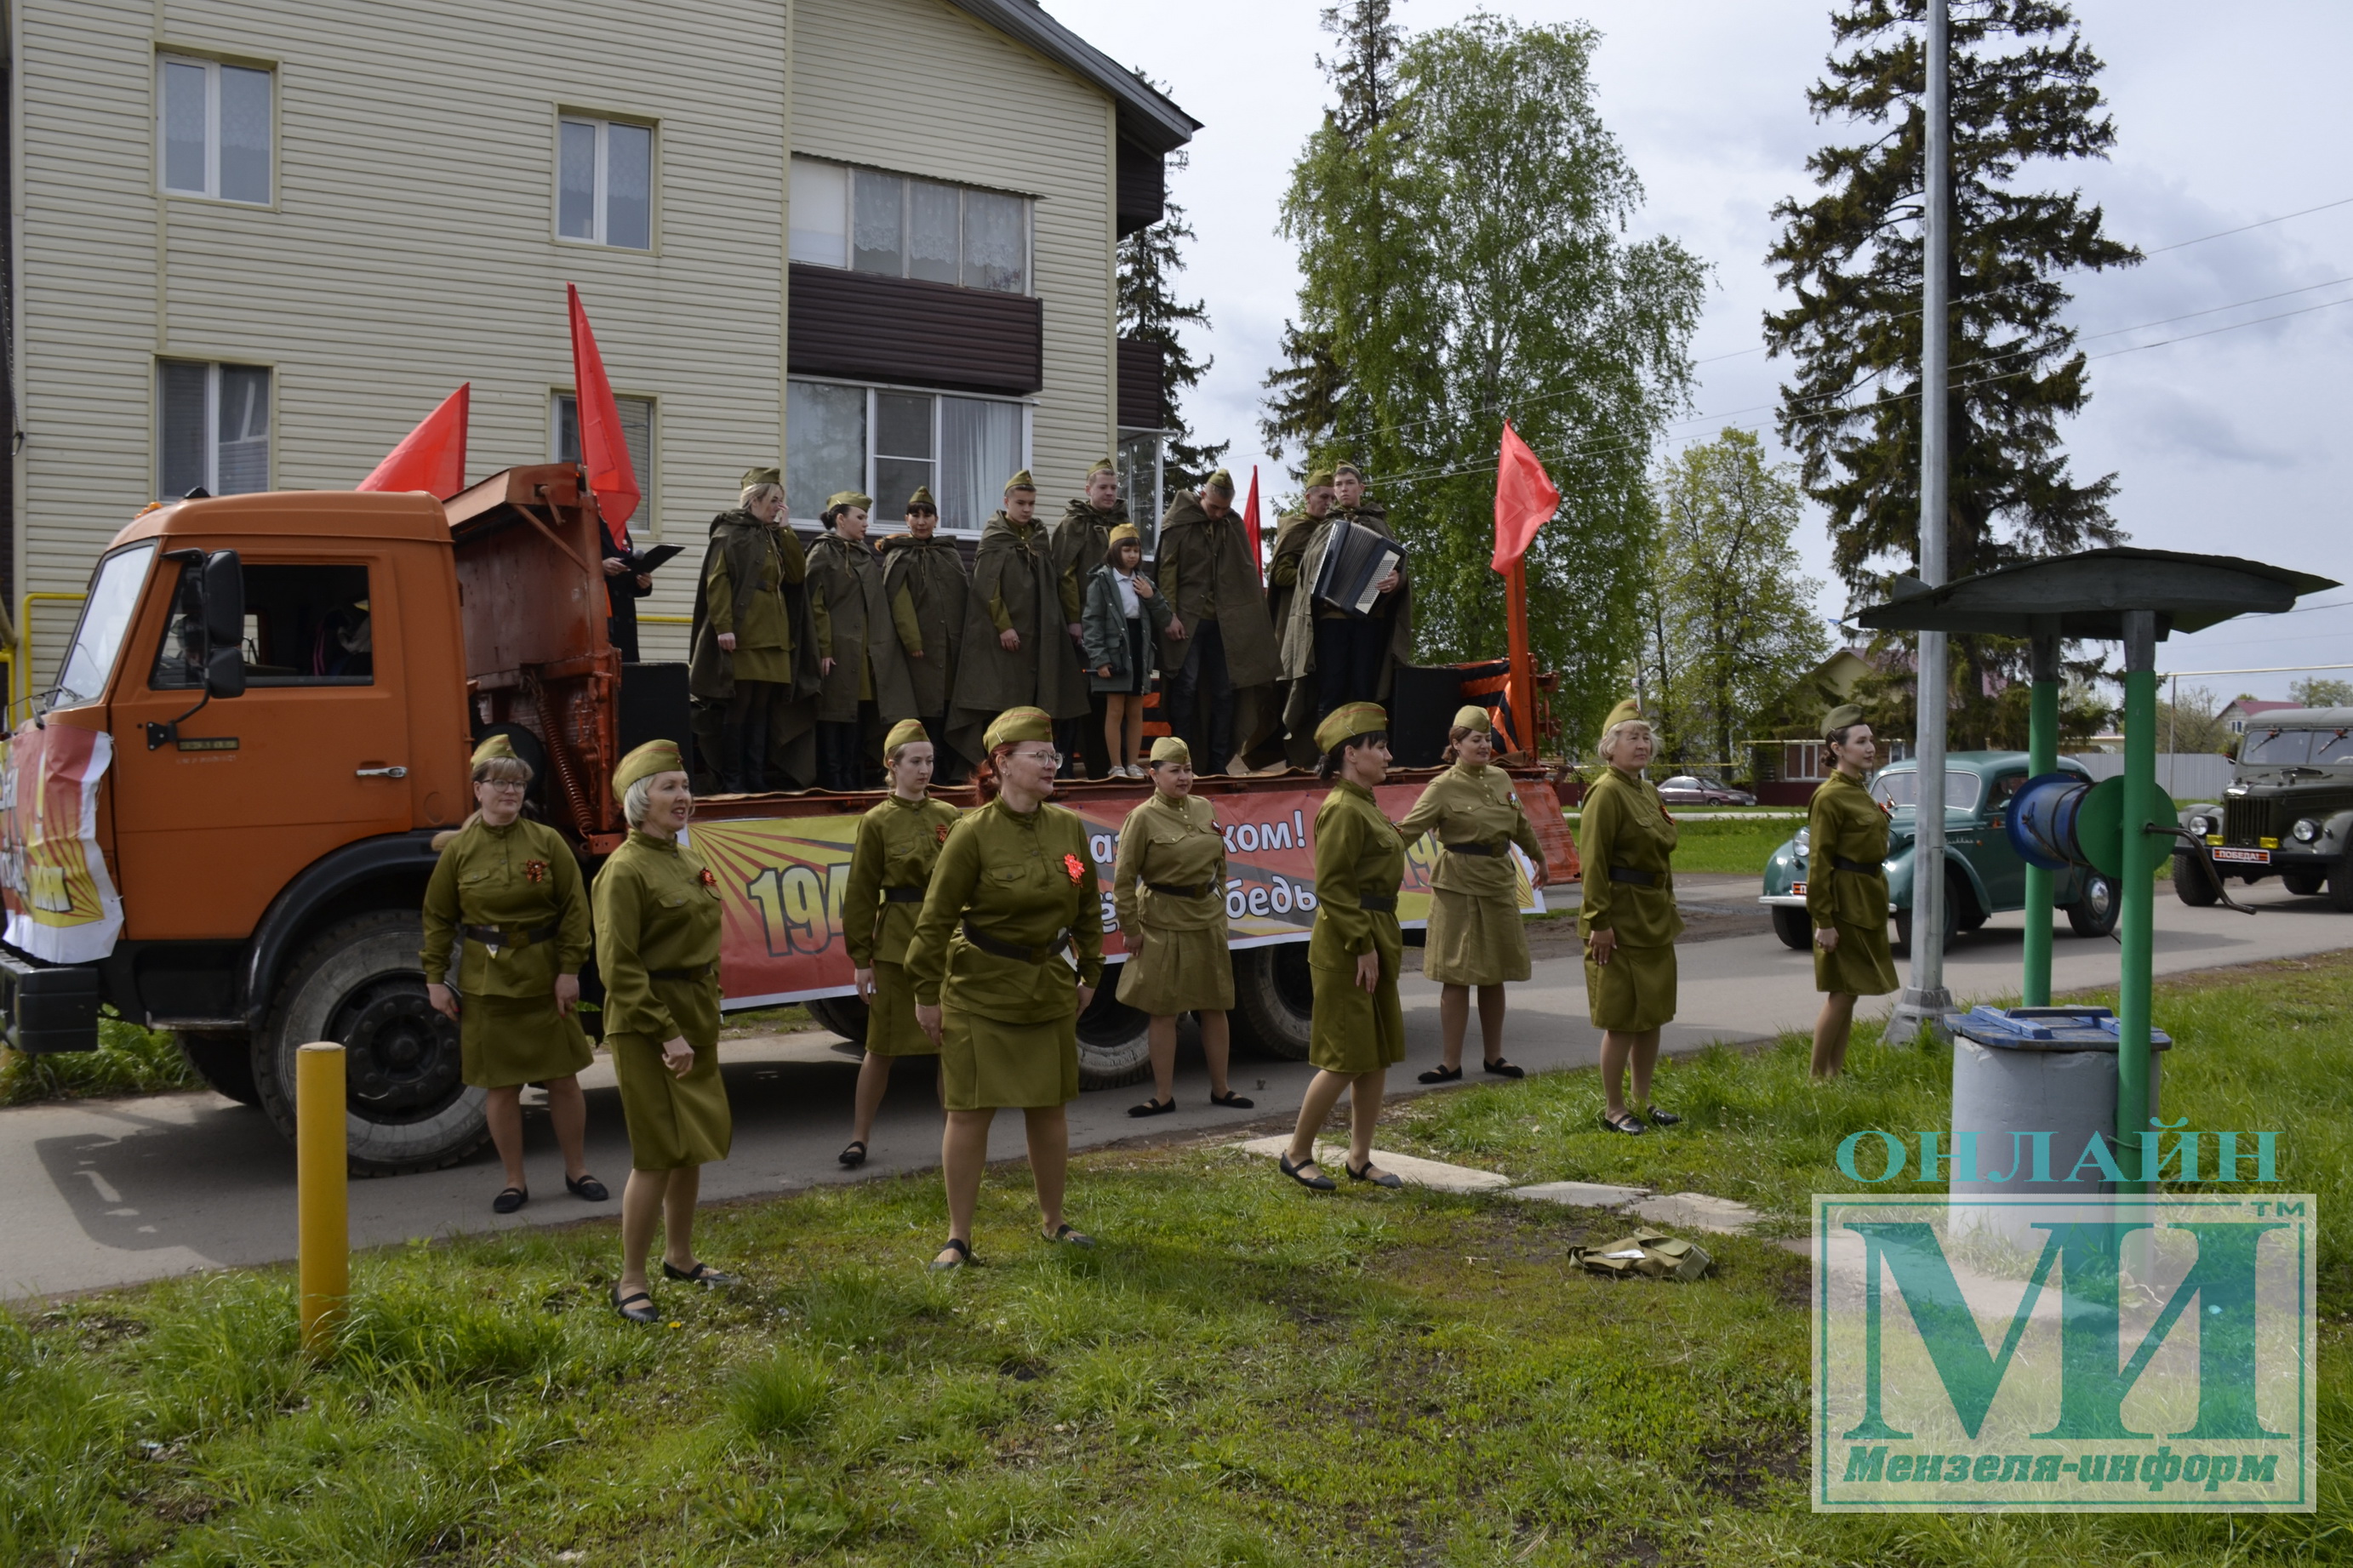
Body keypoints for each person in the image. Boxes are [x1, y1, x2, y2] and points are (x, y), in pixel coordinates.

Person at [905, 706, 1105, 1269]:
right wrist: (926, 993)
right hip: (979, 990)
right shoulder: (972, 834)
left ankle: (1054, 1220)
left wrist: (1090, 970)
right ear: (1001, 762)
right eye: (1038, 756)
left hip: (1047, 987)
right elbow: (935, 918)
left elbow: (1087, 906)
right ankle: (958, 1237)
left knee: (1047, 1108)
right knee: (969, 1112)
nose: (1051, 764)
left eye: (1053, 755)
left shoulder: (1065, 826)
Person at [420, 734, 603, 1214]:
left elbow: (574, 909)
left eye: (517, 782)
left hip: (546, 979)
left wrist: (570, 972)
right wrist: (435, 979)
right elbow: (438, 917)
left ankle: (577, 1169)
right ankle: (514, 1182)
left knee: (563, 1079)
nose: (510, 791)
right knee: (501, 1086)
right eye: (498, 782)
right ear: (477, 789)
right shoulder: (459, 852)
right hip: (489, 983)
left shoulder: (546, 842)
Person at [592, 739, 737, 1322]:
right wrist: (665, 1031)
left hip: (692, 1013)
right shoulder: (623, 870)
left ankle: (680, 1257)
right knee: (655, 1152)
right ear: (638, 801)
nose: (684, 797)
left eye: (684, 786)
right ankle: (630, 1279)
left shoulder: (681, 857)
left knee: (690, 1146)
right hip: (648, 1025)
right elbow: (618, 967)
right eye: (668, 787)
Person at [1277, 702, 1407, 1192]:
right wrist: (1361, 944)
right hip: (1347, 944)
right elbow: (1331, 886)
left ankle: (1359, 1158)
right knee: (1344, 1057)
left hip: (1374, 932)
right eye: (1380, 748)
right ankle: (1296, 1153)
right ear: (1351, 754)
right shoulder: (1341, 808)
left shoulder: (1364, 803)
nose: (1389, 755)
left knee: (1373, 1055)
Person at [1396, 705, 1546, 1083]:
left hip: (1497, 881)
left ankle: (1494, 1057)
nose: (1484, 745)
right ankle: (1450, 1062)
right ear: (1456, 744)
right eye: (1476, 740)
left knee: (1494, 973)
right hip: (1458, 885)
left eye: (1487, 739)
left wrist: (1539, 858)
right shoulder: (1443, 786)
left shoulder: (1501, 779)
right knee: (1456, 974)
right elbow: (1409, 830)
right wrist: (1374, 853)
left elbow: (1520, 824)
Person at [838, 720, 963, 1167]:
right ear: (892, 766)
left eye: (930, 761)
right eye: (915, 762)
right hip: (895, 945)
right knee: (882, 1047)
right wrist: (861, 959)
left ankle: (956, 1140)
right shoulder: (876, 821)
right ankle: (859, 1137)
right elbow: (859, 892)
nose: (925, 769)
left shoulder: (949, 817)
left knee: (949, 1044)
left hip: (945, 941)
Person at [1112, 735, 1254, 1116]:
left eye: (1188, 769)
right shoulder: (1141, 818)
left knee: (1215, 1004)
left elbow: (1219, 861)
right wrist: (1131, 928)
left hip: (1206, 918)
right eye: (1175, 771)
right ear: (1153, 774)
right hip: (1162, 922)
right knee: (1163, 1010)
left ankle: (1222, 1089)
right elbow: (1123, 879)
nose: (1184, 777)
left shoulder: (1204, 806)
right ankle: (1162, 1095)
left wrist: (1218, 896)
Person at [1577, 700, 1682, 1135]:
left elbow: (1662, 855)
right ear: (1609, 747)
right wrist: (1599, 922)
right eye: (1631, 737)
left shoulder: (1646, 791)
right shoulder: (1605, 792)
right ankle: (1614, 1108)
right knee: (1621, 1018)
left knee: (1651, 1014)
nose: (1642, 745)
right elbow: (1594, 863)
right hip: (1618, 923)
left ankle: (1642, 1100)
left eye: (1645, 737)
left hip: (1653, 918)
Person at [946, 472, 1090, 771]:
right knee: (999, 704)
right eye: (1020, 503)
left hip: (1036, 638)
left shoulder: (1039, 535)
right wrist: (1004, 625)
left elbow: (1050, 585)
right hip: (1002, 639)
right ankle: (995, 768)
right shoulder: (996, 535)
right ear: (1006, 502)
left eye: (1031, 504)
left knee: (1036, 703)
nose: (1026, 509)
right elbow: (987, 586)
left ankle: (1032, 766)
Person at [688, 470, 813, 793]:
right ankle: (734, 778)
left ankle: (755, 777)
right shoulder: (729, 533)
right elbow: (718, 582)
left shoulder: (773, 535)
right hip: (744, 634)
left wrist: (786, 532)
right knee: (739, 705)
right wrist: (724, 627)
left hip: (775, 633)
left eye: (781, 502)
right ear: (754, 500)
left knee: (762, 708)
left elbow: (798, 576)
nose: (778, 508)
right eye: (774, 501)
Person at [1156, 469, 1283, 775]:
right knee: (1185, 689)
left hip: (1225, 626)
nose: (1218, 514)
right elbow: (1167, 573)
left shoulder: (1231, 525)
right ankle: (1182, 762)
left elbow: (1245, 577)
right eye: (1213, 507)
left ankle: (1217, 762)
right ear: (1203, 495)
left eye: (1224, 509)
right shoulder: (1179, 523)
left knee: (1226, 691)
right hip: (1187, 622)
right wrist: (1169, 615)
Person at [1276, 463, 1412, 749]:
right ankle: (1329, 750)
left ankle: (1366, 750)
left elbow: (1398, 567)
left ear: (1361, 488)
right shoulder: (1325, 527)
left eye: (1349, 483)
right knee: (1331, 687)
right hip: (1331, 620)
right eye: (1338, 485)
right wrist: (1321, 579)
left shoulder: (1379, 523)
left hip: (1369, 619)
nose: (1343, 490)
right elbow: (1307, 570)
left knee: (1365, 686)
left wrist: (1396, 579)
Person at [806, 490, 922, 790]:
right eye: (860, 517)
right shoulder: (822, 552)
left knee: (857, 714)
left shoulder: (863, 554)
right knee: (834, 714)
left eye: (866, 518)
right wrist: (824, 648)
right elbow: (814, 605)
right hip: (837, 652)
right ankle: (833, 781)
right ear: (841, 519)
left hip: (864, 652)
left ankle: (850, 778)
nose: (866, 524)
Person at [1808, 704, 1899, 1077]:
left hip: (1867, 897)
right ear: (1838, 747)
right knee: (1843, 992)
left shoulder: (1860, 791)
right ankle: (1816, 1077)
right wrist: (1824, 920)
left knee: (1850, 992)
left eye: (1871, 740)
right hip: (1845, 904)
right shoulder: (1830, 797)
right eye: (1860, 741)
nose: (1870, 747)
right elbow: (1819, 864)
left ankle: (1835, 1073)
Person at [878, 486, 968, 778]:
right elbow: (899, 600)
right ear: (906, 519)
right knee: (923, 710)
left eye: (927, 515)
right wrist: (913, 640)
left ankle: (945, 772)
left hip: (950, 648)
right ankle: (925, 773)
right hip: (919, 650)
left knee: (946, 708)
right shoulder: (899, 554)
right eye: (915, 515)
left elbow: (963, 596)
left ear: (936, 519)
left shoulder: (948, 553)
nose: (921, 521)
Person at [1051, 459, 1128, 777]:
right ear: (1088, 490)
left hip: (1115, 629)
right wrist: (1074, 619)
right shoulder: (1073, 525)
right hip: (1082, 628)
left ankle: (1105, 767)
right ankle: (1064, 768)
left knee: (1108, 700)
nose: (1109, 493)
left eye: (1113, 488)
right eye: (1103, 488)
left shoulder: (1122, 525)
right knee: (1072, 698)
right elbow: (1064, 574)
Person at [1081, 522, 1171, 777]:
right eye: (1127, 550)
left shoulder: (1144, 582)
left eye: (1136, 550)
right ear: (1115, 551)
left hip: (1138, 647)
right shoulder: (1101, 581)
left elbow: (1164, 618)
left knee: (1135, 710)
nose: (1132, 555)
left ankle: (1133, 763)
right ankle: (1116, 765)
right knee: (1115, 710)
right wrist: (1099, 659)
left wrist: (1151, 595)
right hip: (1115, 652)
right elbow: (1092, 622)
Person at [1267, 470, 1336, 768]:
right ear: (1308, 498)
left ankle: (1321, 754)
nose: (1329, 503)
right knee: (1296, 691)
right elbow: (1280, 575)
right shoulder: (1295, 530)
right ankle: (1292, 758)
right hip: (1296, 625)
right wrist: (1314, 576)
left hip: (1328, 624)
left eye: (1333, 498)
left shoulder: (1338, 528)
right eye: (1324, 497)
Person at [599, 518, 654, 662]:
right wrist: (599, 567)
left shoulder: (619, 526)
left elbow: (625, 567)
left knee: (628, 670)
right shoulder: (583, 523)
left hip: (624, 613)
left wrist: (641, 582)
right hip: (601, 612)